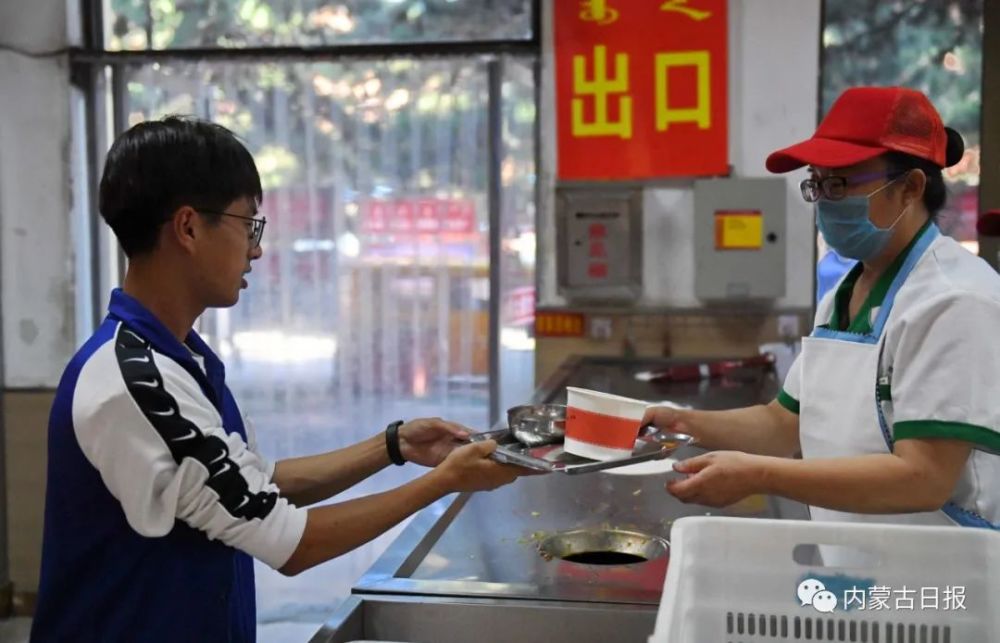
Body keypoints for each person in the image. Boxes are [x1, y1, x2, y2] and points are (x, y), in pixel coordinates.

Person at [32, 116, 524, 642]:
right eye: (248, 224)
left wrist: (394, 445)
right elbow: (294, 546)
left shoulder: (179, 357)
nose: (257, 249)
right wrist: (446, 481)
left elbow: (250, 483)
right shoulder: (133, 381)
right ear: (189, 228)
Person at [643, 87, 1000, 542]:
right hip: (865, 568)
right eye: (817, 183)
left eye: (840, 184)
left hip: (943, 585)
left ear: (911, 187)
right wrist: (678, 423)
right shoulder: (845, 294)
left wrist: (760, 476)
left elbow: (924, 477)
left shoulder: (955, 301)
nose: (826, 203)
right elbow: (782, 425)